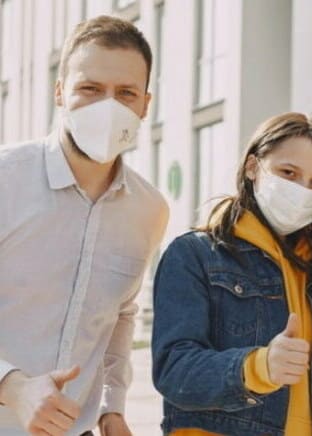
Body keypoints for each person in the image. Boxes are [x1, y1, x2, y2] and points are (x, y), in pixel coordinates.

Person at [0, 16, 169, 436]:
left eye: (125, 93)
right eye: (90, 89)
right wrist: (13, 386)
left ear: (145, 105)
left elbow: (121, 314)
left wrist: (112, 406)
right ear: (60, 92)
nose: (107, 107)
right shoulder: (5, 179)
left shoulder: (149, 210)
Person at [152, 112, 312, 436]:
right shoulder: (195, 255)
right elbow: (174, 370)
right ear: (252, 167)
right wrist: (259, 367)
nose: (302, 191)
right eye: (288, 172)